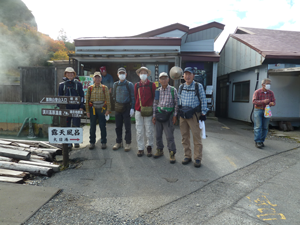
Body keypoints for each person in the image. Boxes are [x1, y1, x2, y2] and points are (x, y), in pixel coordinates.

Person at [178, 67, 207, 168]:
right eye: (186, 74)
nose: (188, 76)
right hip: (183, 115)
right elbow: (178, 100)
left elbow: (203, 100)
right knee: (184, 137)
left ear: (193, 75)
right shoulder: (181, 87)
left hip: (194, 115)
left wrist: (203, 113)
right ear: (183, 76)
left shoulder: (198, 86)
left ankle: (197, 158)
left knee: (196, 137)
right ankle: (187, 156)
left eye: (189, 74)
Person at [152, 72, 178, 164]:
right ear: (159, 80)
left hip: (168, 116)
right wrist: (154, 116)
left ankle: (172, 153)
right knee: (158, 135)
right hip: (159, 115)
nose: (163, 80)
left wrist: (175, 115)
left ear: (168, 79)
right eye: (161, 79)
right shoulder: (157, 91)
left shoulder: (173, 90)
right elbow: (155, 103)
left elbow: (176, 104)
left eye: (165, 78)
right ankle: (160, 150)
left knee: (169, 136)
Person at [58, 67, 84, 149]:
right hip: (66, 108)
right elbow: (59, 97)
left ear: (74, 74)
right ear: (65, 74)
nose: (70, 75)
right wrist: (61, 108)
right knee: (67, 125)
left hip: (76, 108)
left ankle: (76, 141)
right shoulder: (62, 85)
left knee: (76, 125)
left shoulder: (78, 84)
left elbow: (82, 96)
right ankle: (68, 143)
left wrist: (81, 107)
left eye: (72, 73)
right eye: (68, 73)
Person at [134, 66, 156, 157]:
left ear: (147, 74)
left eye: (144, 73)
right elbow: (135, 97)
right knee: (139, 130)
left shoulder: (152, 85)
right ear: (139, 74)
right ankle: (140, 148)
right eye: (141, 73)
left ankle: (149, 147)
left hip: (149, 110)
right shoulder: (137, 85)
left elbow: (155, 98)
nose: (143, 74)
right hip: (139, 110)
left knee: (149, 130)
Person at [85, 71, 111, 150]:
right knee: (92, 127)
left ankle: (103, 142)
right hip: (92, 109)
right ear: (93, 79)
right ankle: (92, 142)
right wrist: (87, 111)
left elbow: (108, 99)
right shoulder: (90, 88)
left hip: (102, 109)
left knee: (102, 126)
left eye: (98, 77)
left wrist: (108, 110)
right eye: (95, 77)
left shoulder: (104, 88)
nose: (97, 79)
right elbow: (87, 100)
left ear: (101, 78)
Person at [112, 67, 135, 152]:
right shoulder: (115, 84)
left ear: (126, 74)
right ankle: (118, 142)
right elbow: (113, 96)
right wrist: (117, 103)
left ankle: (128, 143)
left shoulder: (129, 84)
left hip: (127, 107)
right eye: (120, 73)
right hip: (118, 107)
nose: (121, 75)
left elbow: (133, 97)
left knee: (127, 127)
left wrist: (132, 108)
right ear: (117, 75)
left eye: (123, 73)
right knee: (118, 126)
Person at [252, 78, 276, 148]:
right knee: (258, 126)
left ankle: (261, 141)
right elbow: (254, 101)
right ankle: (258, 141)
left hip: (267, 110)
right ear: (263, 84)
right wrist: (263, 101)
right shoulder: (257, 92)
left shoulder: (271, 93)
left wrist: (272, 103)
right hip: (258, 110)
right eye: (267, 84)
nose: (269, 85)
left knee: (265, 127)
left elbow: (274, 102)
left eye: (269, 84)